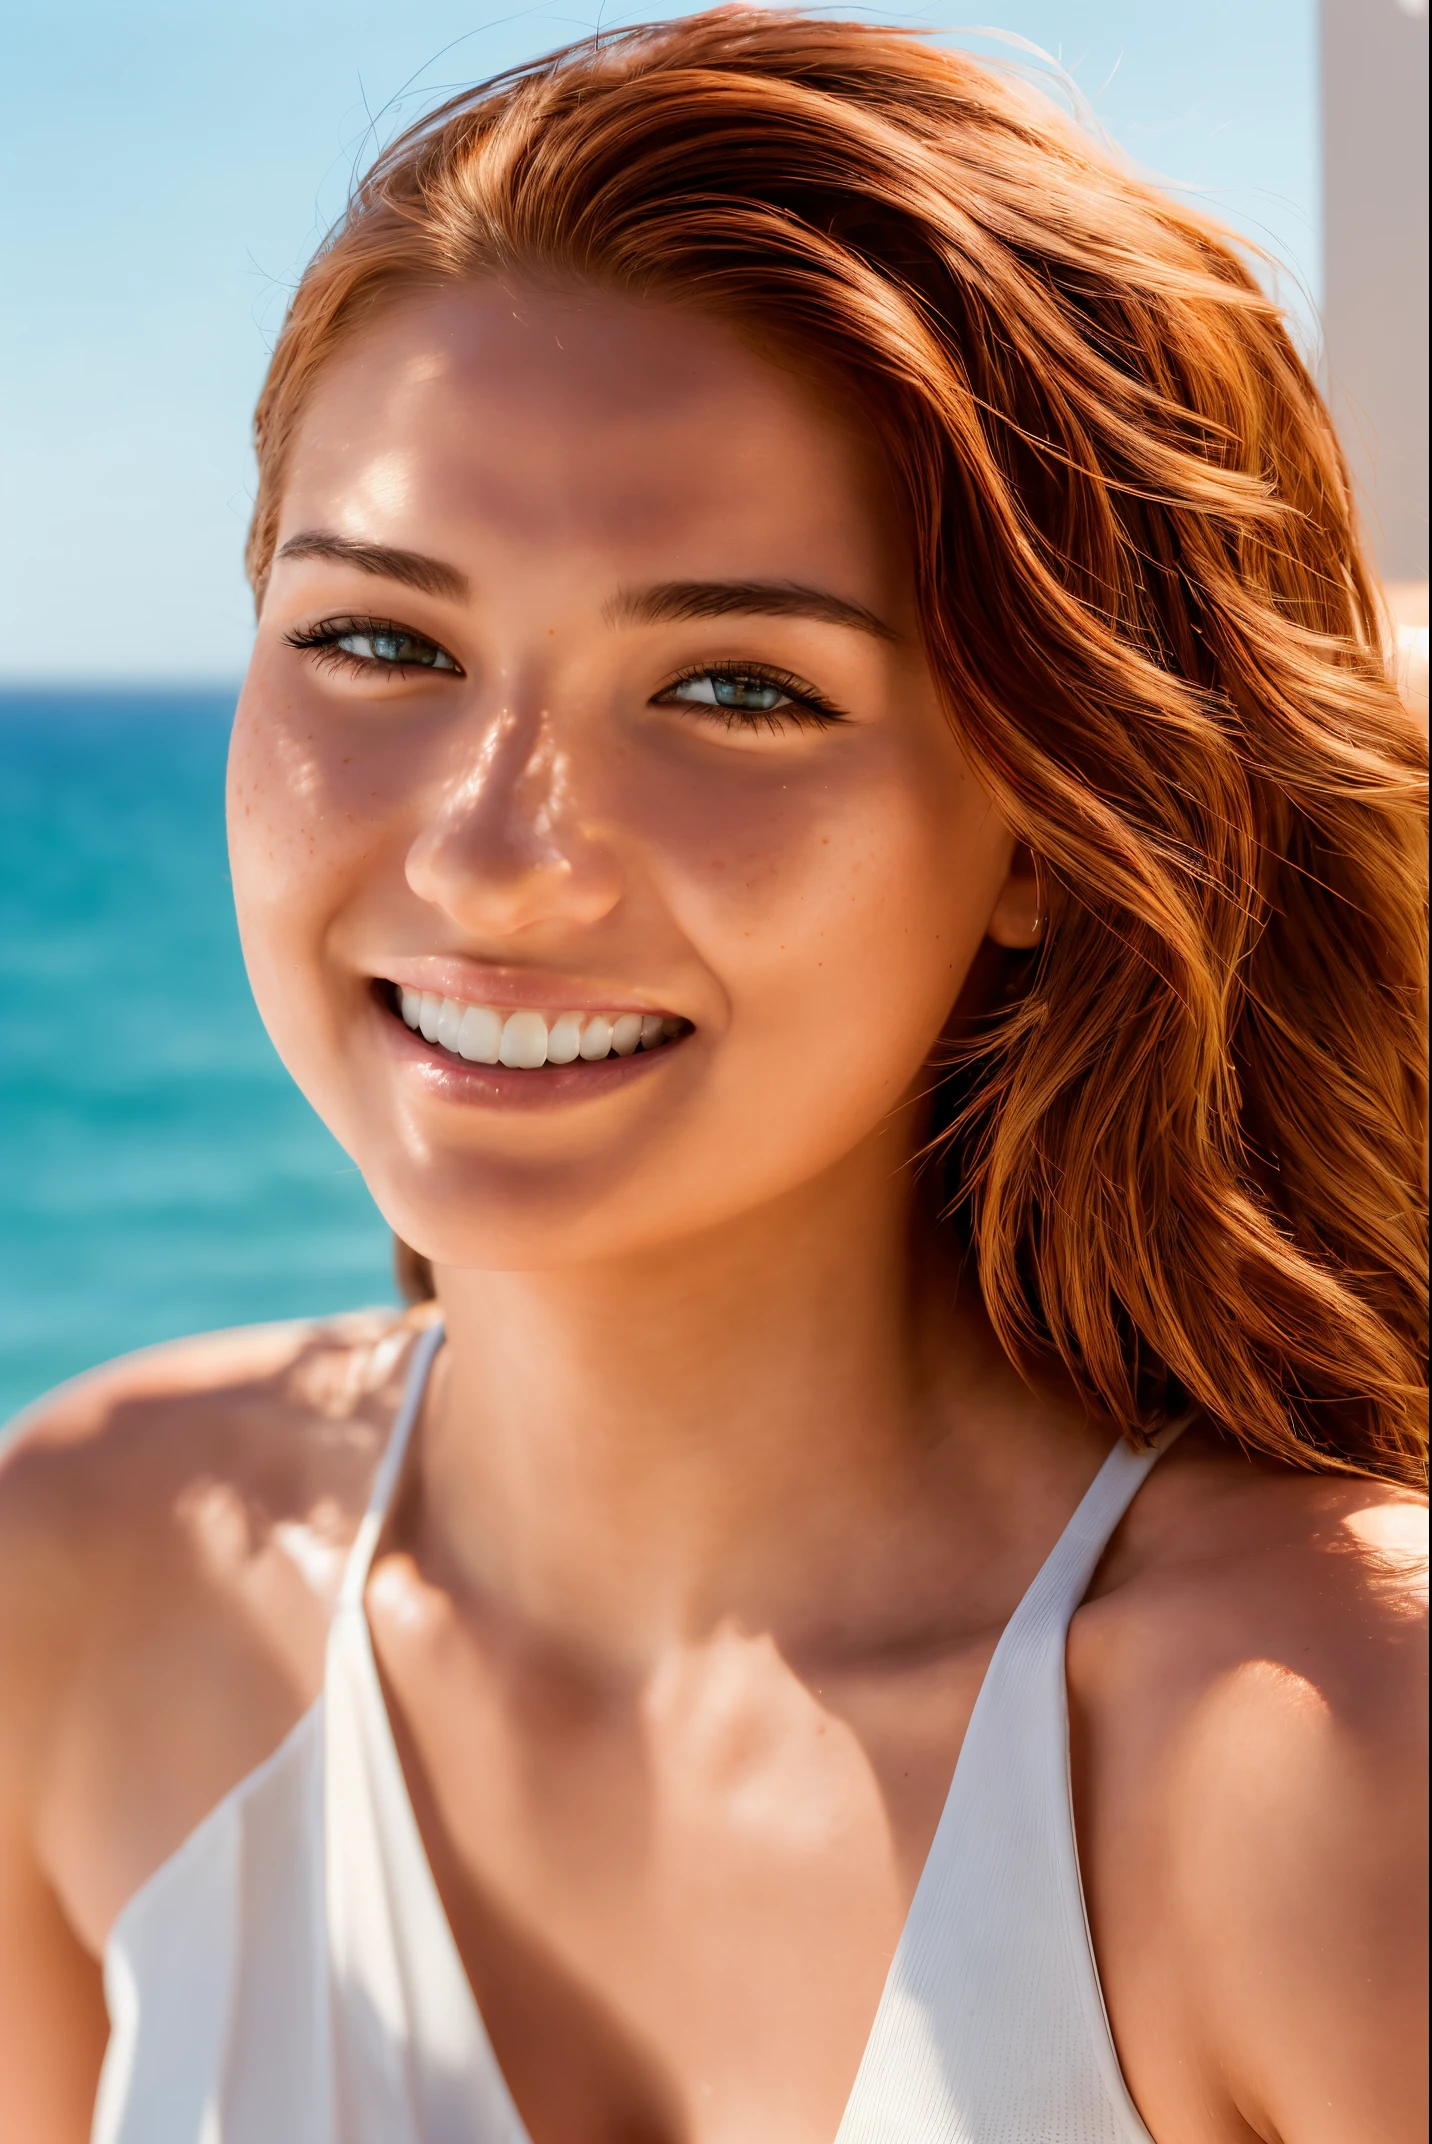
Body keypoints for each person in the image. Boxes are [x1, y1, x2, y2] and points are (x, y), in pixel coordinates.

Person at [0, 14, 1425, 2142]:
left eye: (734, 687)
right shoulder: (97, 1589)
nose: (489, 848)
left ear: (1048, 825)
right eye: (377, 641)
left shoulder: (1322, 1761)